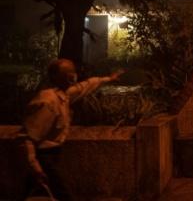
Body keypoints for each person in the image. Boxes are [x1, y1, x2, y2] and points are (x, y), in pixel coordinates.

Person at [19, 59, 123, 200]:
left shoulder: (63, 95)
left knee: (33, 190)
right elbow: (29, 137)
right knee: (62, 193)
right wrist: (34, 165)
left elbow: (85, 86)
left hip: (52, 155)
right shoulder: (48, 102)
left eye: (73, 72)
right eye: (69, 73)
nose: (73, 76)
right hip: (44, 157)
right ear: (57, 77)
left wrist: (108, 79)